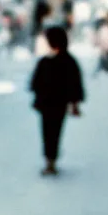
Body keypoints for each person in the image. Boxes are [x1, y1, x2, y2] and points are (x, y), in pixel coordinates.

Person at [30, 25, 85, 176]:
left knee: (54, 133)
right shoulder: (45, 61)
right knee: (48, 133)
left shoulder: (67, 61)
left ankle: (51, 161)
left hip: (58, 105)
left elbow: (75, 84)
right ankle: (49, 161)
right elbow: (35, 83)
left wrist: (74, 104)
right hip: (46, 105)